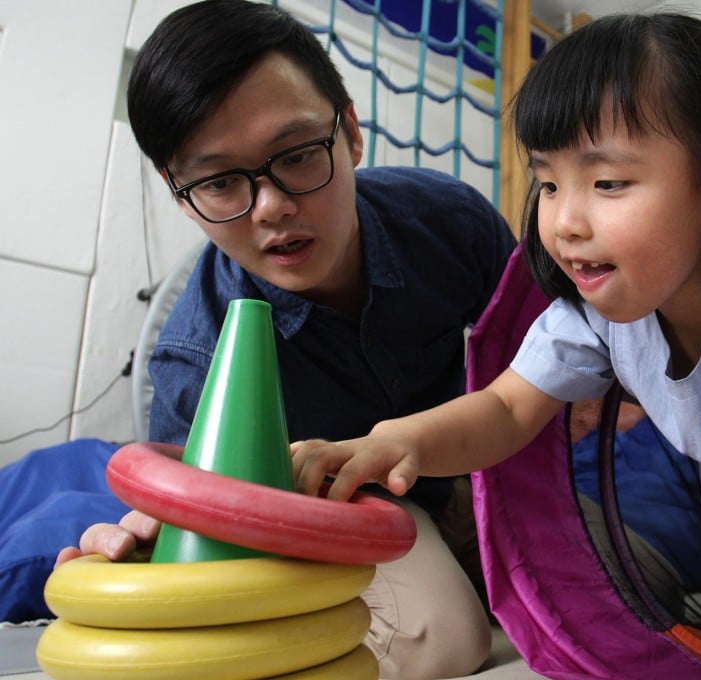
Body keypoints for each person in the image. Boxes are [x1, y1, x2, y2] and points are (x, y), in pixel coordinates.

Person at [289, 13, 701, 680]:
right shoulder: (604, 315)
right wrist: (400, 440)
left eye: (608, 183)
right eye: (550, 182)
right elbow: (505, 410)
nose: (565, 220)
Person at [31, 1, 517, 678]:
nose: (272, 206)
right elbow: (210, 556)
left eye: (294, 155)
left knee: (635, 581)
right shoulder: (194, 365)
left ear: (349, 132)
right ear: (180, 194)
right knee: (440, 638)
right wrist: (145, 561)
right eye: (222, 181)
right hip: (338, 516)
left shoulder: (449, 221)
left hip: (482, 470)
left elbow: (543, 366)